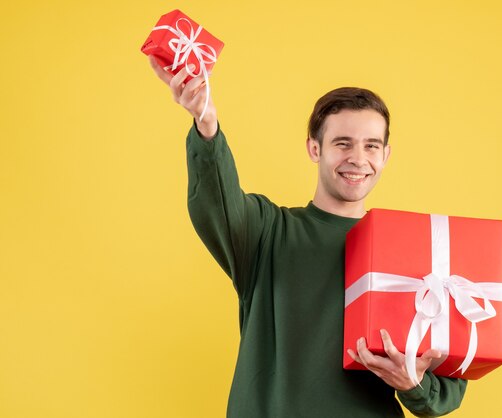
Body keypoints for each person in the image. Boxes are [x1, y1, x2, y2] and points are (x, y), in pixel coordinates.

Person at [149, 56, 467, 417]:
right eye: (343, 143)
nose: (358, 158)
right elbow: (215, 200)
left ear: (386, 155)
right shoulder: (267, 232)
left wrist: (413, 383)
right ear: (315, 149)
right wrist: (206, 125)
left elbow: (443, 392)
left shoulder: (414, 256)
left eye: (372, 145)